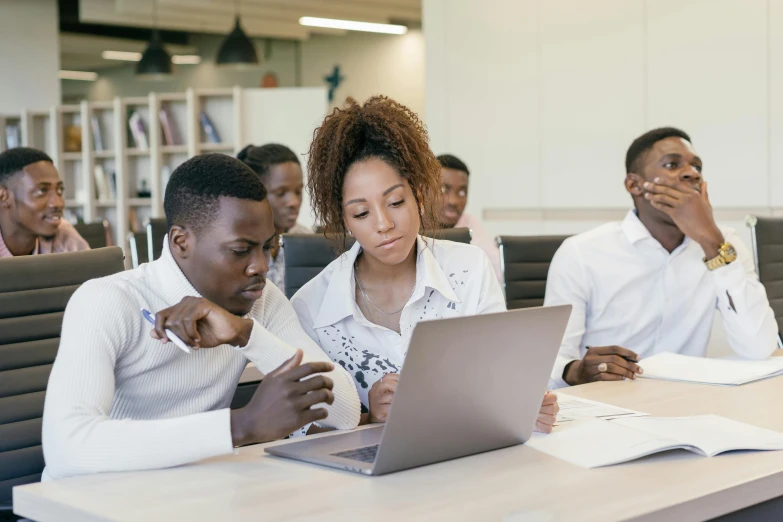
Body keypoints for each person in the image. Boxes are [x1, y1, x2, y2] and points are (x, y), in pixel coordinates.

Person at [42, 153, 360, 480]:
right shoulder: (108, 300)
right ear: (181, 242)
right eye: (241, 250)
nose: (261, 266)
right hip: (93, 501)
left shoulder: (260, 297)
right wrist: (242, 425)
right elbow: (67, 448)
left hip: (192, 493)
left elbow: (345, 412)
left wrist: (245, 334)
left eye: (268, 247)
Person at [290, 96, 558, 433]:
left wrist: (526, 402)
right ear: (343, 219)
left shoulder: (469, 268)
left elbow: (504, 374)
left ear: (418, 194)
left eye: (395, 202)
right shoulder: (311, 307)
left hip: (470, 455)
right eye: (361, 213)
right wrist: (367, 419)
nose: (383, 223)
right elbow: (305, 432)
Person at [545, 127, 779, 388]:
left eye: (697, 167)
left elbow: (758, 346)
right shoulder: (581, 252)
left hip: (687, 399)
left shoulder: (723, 244)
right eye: (672, 164)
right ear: (634, 185)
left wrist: (712, 243)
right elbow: (550, 361)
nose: (692, 173)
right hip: (606, 403)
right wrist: (577, 371)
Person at [238, 144, 311, 292]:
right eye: (280, 193)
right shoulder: (238, 245)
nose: (294, 202)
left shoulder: (306, 240)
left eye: (298, 191)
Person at [0, 147, 88, 256]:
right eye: (41, 191)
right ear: (3, 196)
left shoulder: (64, 235)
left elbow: (95, 271)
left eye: (59, 190)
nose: (58, 203)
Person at [436, 154, 502, 284]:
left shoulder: (469, 225)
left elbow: (497, 276)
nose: (453, 201)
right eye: (443, 189)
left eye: (462, 192)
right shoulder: (409, 227)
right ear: (423, 189)